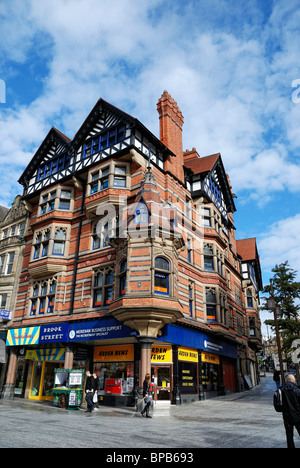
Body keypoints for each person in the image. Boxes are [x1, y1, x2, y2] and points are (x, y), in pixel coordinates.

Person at [281, 374, 300, 448]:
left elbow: (278, 404)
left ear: (286, 380)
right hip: (298, 416)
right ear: (294, 381)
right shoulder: (298, 390)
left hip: (287, 416)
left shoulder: (281, 389)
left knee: (289, 435)